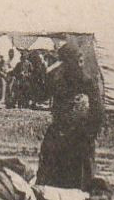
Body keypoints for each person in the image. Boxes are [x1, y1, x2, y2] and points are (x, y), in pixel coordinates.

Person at [38, 41, 103, 190]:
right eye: (77, 59)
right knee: (51, 176)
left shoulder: (87, 81)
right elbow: (40, 95)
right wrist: (44, 74)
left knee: (78, 178)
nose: (80, 63)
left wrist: (88, 134)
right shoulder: (58, 79)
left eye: (80, 60)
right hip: (60, 132)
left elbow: (97, 113)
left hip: (78, 135)